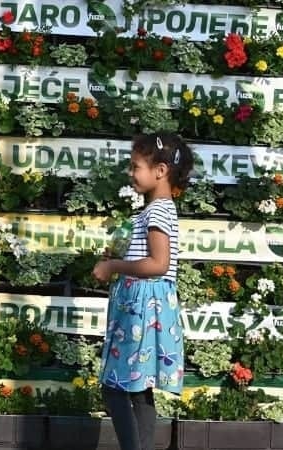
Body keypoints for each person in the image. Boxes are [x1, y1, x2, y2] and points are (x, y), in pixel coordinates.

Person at [92, 132, 194, 450]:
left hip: (142, 307)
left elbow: (158, 263)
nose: (131, 172)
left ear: (160, 171)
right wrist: (119, 258)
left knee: (116, 386)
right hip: (141, 305)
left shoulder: (158, 212)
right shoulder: (157, 210)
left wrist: (114, 268)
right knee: (136, 388)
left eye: (136, 166)